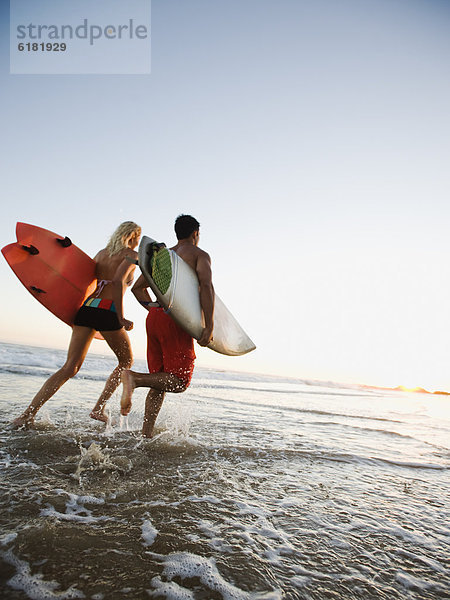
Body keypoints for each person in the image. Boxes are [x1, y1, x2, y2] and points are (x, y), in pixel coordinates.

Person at [12, 221, 142, 429]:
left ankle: (27, 415)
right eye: (138, 237)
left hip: (86, 309)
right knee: (126, 361)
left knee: (69, 367)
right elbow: (118, 282)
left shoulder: (101, 254)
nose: (138, 243)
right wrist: (120, 317)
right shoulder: (132, 256)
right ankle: (99, 408)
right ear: (133, 236)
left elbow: (80, 279)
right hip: (107, 311)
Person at [120, 214, 214, 438]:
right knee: (179, 381)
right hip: (175, 322)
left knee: (160, 379)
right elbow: (206, 287)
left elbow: (138, 289)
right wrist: (208, 326)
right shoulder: (200, 255)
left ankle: (146, 435)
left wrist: (156, 309)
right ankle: (134, 378)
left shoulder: (163, 256)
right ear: (195, 234)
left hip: (155, 318)